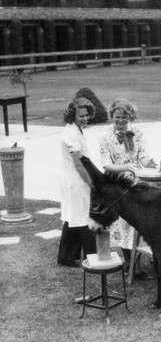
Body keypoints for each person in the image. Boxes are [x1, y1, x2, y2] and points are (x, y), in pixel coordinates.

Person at [99, 98, 157, 279]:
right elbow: (107, 165)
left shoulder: (137, 133)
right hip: (117, 185)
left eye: (125, 117)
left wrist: (151, 162)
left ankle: (136, 263)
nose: (121, 121)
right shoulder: (105, 137)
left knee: (139, 222)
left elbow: (143, 156)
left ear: (130, 117)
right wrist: (128, 168)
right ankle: (130, 264)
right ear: (112, 116)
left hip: (136, 183)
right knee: (123, 225)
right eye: (117, 117)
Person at [57, 97, 97, 267]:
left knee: (73, 216)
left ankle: (65, 256)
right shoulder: (71, 134)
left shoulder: (76, 129)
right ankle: (92, 257)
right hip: (76, 181)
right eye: (81, 115)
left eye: (87, 115)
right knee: (82, 217)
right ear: (72, 115)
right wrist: (92, 183)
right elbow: (79, 165)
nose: (85, 118)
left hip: (74, 179)